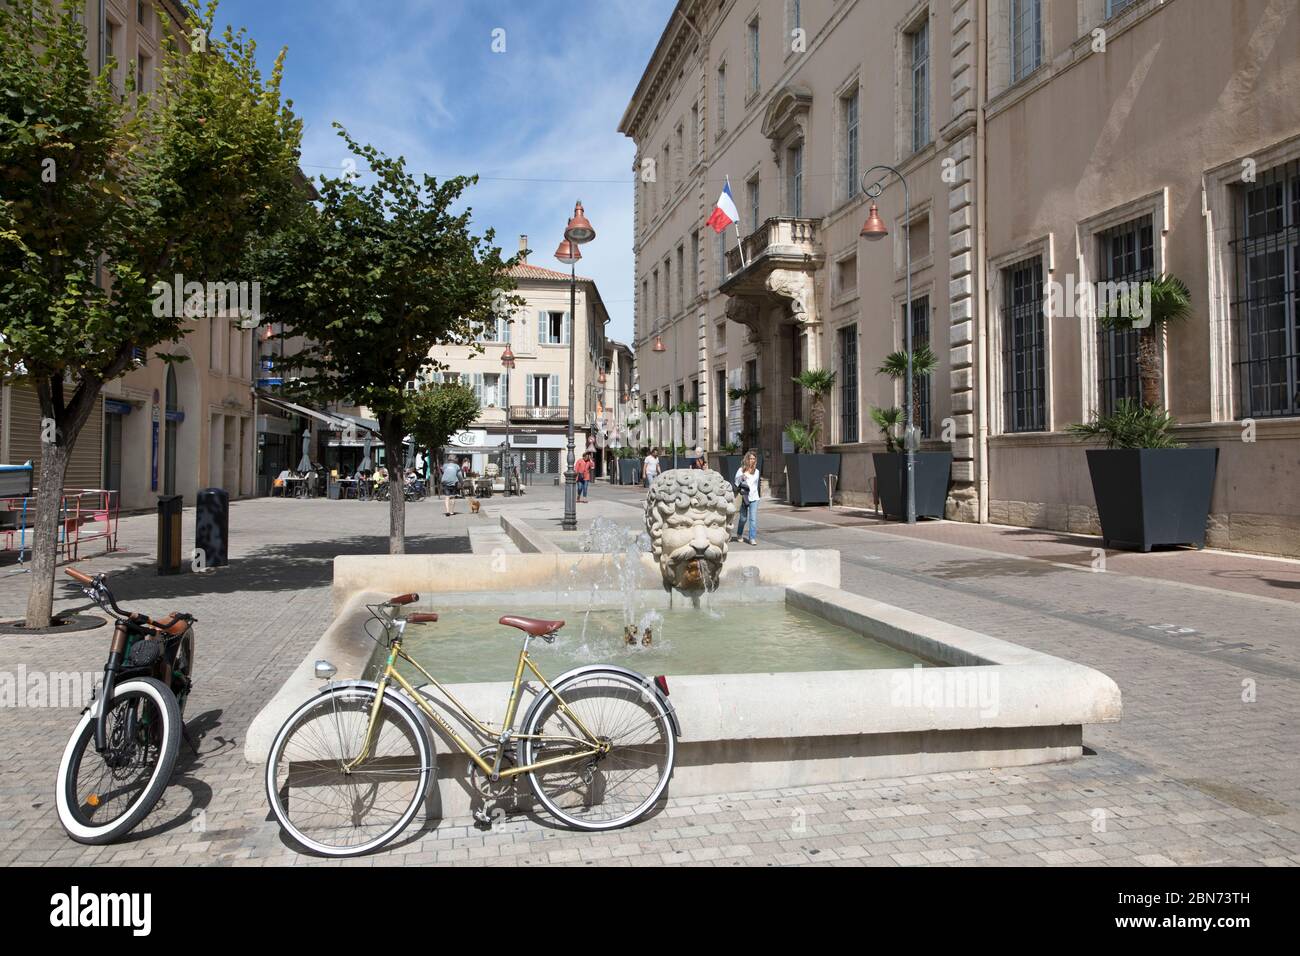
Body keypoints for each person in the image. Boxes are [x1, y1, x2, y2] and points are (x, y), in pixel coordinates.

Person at [733, 451, 761, 546]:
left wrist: (756, 494)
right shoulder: (741, 470)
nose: (752, 460)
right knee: (743, 519)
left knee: (753, 519)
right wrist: (741, 478)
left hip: (754, 498)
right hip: (745, 497)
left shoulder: (757, 471)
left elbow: (756, 485)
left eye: (753, 459)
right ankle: (739, 534)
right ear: (747, 459)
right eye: (750, 458)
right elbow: (736, 482)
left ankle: (752, 538)